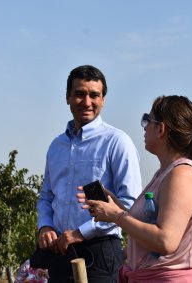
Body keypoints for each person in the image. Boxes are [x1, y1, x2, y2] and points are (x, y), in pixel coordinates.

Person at [78, 95, 192, 282]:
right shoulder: (166, 172)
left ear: (161, 129)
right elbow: (150, 225)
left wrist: (117, 216)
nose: (144, 127)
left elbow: (165, 240)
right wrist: (117, 207)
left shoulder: (182, 175)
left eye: (147, 120)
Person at [35, 65, 142, 283]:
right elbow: (47, 196)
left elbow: (128, 204)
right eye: (79, 94)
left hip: (100, 252)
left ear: (103, 99)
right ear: (67, 97)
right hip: (60, 252)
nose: (87, 102)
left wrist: (80, 233)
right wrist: (45, 226)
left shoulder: (117, 142)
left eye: (94, 95)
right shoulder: (56, 146)